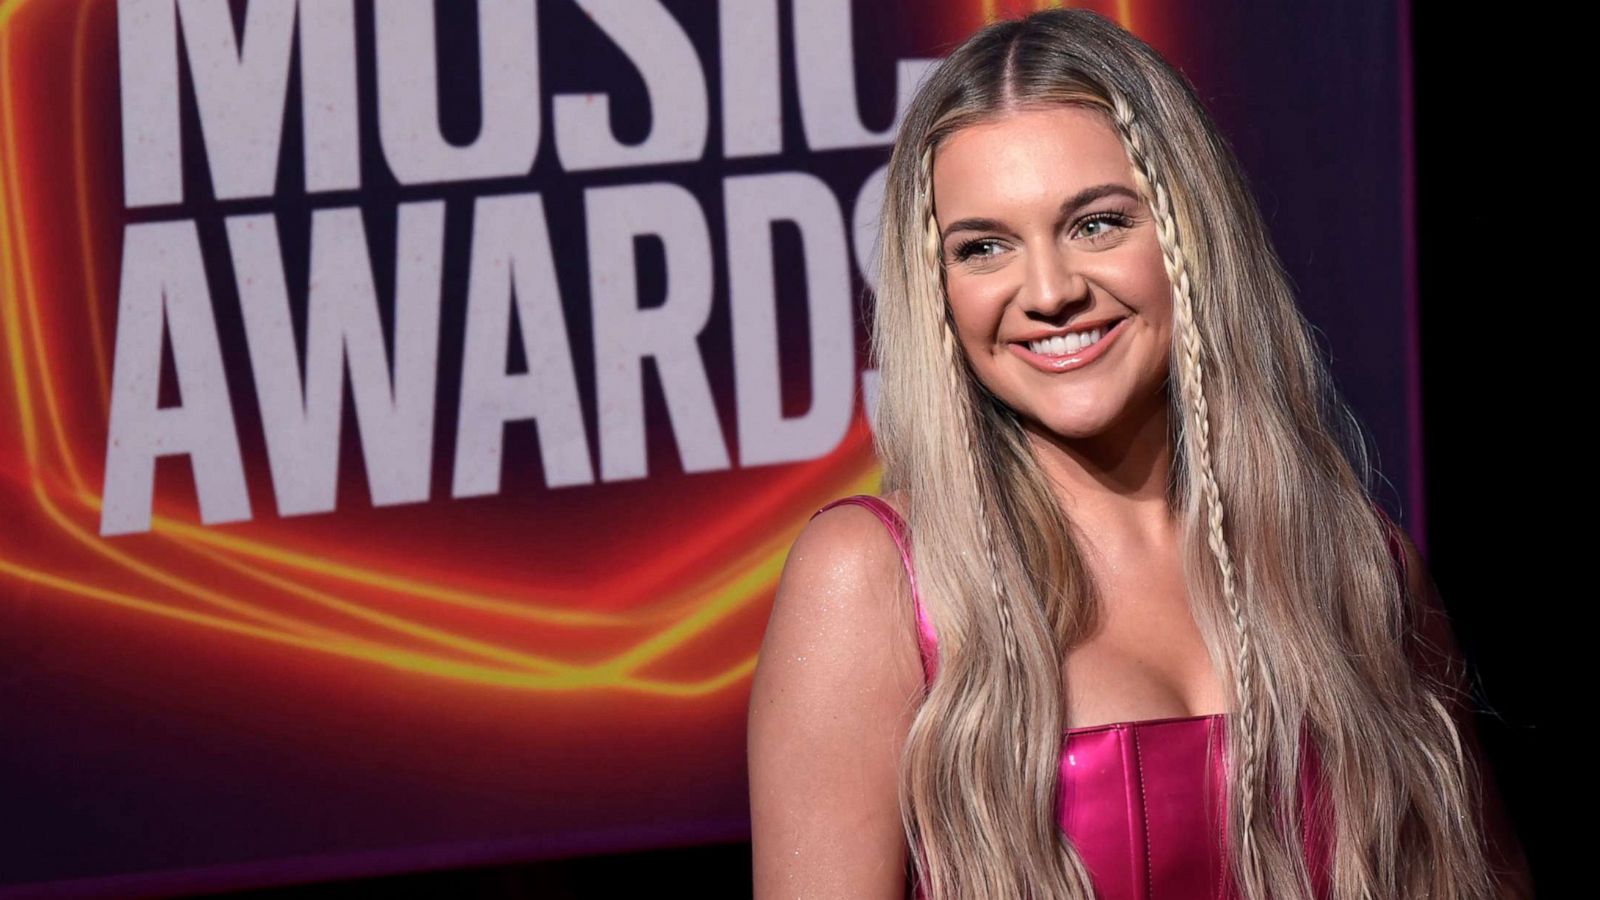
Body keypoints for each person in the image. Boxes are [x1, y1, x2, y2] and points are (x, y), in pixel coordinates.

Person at [746, 9, 1532, 900]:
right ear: (938, 293)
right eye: (984, 247)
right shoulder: (874, 582)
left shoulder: (1360, 568)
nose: (1048, 292)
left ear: (1187, 234)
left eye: (1096, 224)